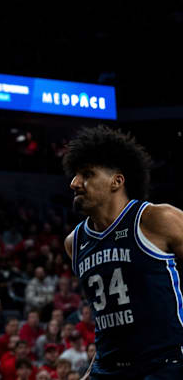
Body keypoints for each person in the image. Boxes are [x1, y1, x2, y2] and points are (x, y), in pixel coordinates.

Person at [62, 126, 183, 379]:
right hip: (107, 369)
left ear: (117, 181)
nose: (74, 183)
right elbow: (109, 321)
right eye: (75, 175)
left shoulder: (156, 219)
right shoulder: (74, 242)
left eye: (87, 174)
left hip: (163, 366)